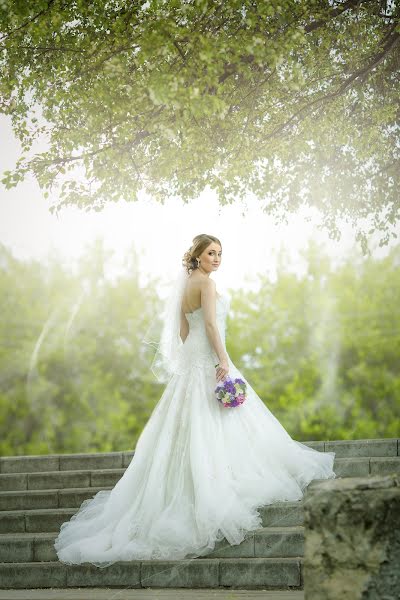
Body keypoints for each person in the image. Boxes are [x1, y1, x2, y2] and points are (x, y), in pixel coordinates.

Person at [54, 233, 336, 567]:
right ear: (198, 256)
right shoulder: (207, 285)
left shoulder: (185, 284)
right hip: (208, 356)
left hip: (191, 359)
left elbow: (183, 331)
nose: (217, 259)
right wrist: (223, 361)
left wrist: (193, 357)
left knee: (189, 421)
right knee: (219, 418)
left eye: (220, 253)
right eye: (211, 253)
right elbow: (213, 326)